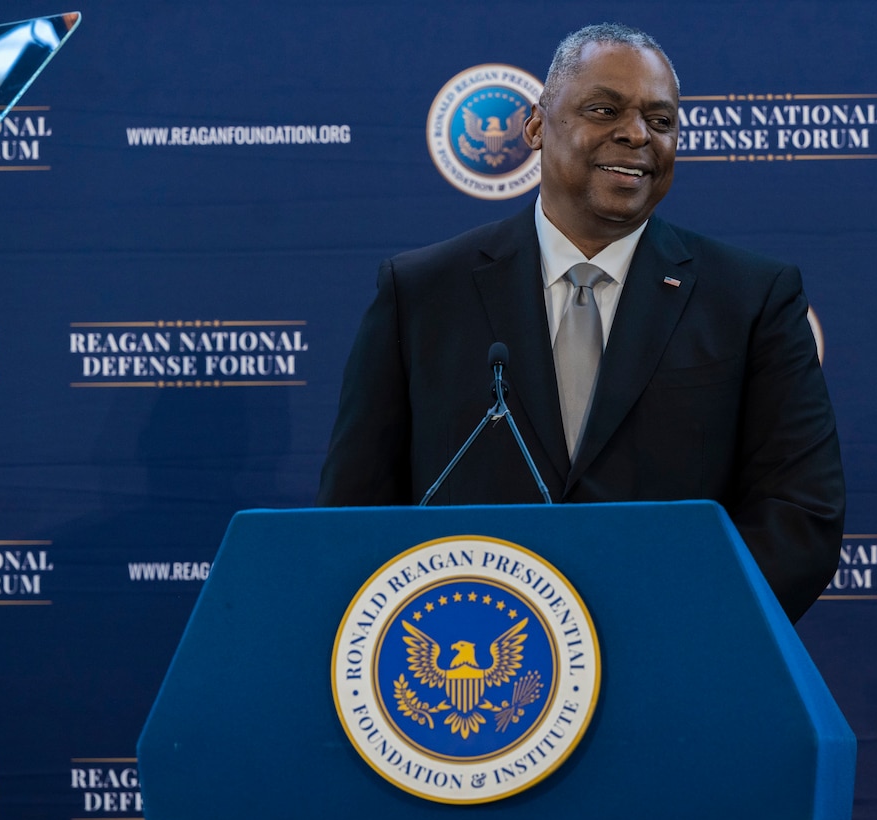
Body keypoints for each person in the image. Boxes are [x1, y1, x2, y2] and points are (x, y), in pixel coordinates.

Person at [317, 23, 844, 622]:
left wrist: (684, 626)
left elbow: (802, 515)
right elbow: (351, 515)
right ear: (537, 125)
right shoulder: (420, 292)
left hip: (674, 666)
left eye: (661, 120)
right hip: (472, 666)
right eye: (604, 109)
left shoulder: (752, 298)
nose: (636, 134)